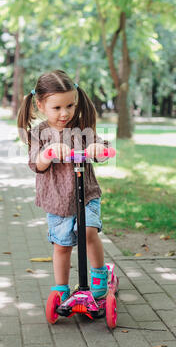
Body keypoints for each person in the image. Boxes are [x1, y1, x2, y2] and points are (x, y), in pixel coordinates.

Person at [17, 69, 111, 302]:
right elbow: (36, 164)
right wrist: (48, 153)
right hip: (57, 201)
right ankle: (61, 288)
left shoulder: (81, 128)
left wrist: (98, 150)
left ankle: (99, 274)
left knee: (88, 232)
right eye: (57, 108)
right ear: (40, 105)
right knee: (62, 246)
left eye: (69, 106)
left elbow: (101, 149)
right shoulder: (40, 133)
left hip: (86, 194)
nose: (64, 113)